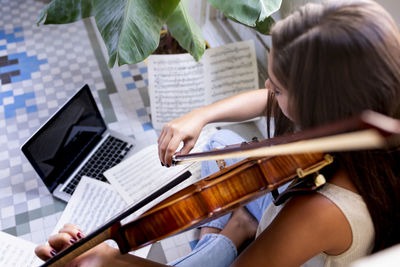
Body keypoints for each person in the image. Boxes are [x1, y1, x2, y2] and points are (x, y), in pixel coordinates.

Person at [35, 0, 400, 266]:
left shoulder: (316, 213)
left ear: (323, 104)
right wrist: (202, 115)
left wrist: (107, 261)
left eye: (279, 88)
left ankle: (228, 236)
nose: (268, 88)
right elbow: (265, 99)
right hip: (292, 202)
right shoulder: (370, 111)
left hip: (294, 242)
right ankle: (239, 224)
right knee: (215, 144)